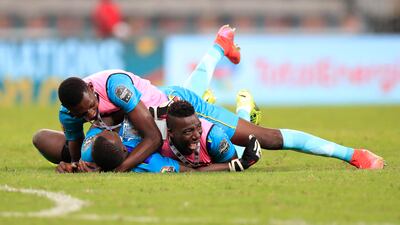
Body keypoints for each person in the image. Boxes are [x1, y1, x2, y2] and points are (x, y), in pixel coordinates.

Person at [34, 25, 384, 171]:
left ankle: (354, 155)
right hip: (170, 102)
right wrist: (78, 163)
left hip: (172, 114)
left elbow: (154, 137)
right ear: (70, 111)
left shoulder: (115, 87)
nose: (91, 113)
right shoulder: (72, 116)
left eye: (92, 106)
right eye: (83, 113)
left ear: (94, 92)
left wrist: (112, 171)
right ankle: (220, 45)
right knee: (190, 90)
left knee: (268, 139)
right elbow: (77, 150)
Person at [57, 100, 262, 173]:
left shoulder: (212, 136)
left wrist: (75, 164)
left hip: (173, 108)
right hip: (170, 129)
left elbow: (235, 162)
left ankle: (244, 112)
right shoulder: (146, 159)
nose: (122, 137)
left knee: (238, 142)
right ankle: (244, 111)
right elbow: (190, 171)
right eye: (120, 140)